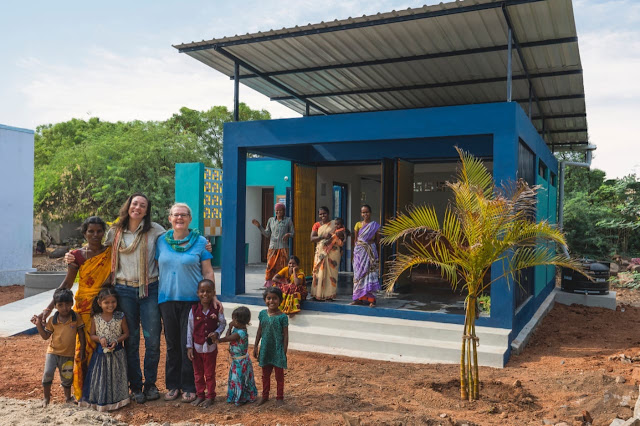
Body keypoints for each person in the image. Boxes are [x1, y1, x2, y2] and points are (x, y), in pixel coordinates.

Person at [64, 194, 217, 403]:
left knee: (153, 340)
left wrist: (204, 244)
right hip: (123, 290)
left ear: (147, 210)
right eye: (134, 203)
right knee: (131, 340)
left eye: (142, 205)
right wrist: (72, 255)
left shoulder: (156, 231)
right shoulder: (115, 231)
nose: (137, 207)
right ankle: (135, 386)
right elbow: (97, 249)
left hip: (150, 290)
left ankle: (151, 385)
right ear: (128, 206)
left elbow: (179, 236)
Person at [38, 216, 111, 402]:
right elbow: (67, 284)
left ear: (104, 232)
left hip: (105, 307)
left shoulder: (111, 252)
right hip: (84, 309)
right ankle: (83, 392)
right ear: (84, 233)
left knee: (103, 347)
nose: (95, 235)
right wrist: (49, 308)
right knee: (83, 350)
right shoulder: (77, 255)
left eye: (99, 231)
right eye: (91, 231)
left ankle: (103, 391)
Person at [156, 202, 218, 403]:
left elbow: (207, 271)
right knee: (172, 344)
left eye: (183, 215)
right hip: (166, 299)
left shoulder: (200, 242)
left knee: (188, 344)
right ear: (170, 219)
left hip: (192, 301)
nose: (179, 218)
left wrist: (213, 295)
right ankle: (173, 385)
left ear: (190, 219)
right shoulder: (161, 241)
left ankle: (190, 386)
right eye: (176, 215)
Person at [31, 288, 85, 406]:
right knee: (48, 373)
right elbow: (45, 336)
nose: (64, 308)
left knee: (67, 377)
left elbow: (81, 334)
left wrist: (82, 350)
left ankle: (68, 398)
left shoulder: (76, 318)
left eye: (67, 304)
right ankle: (46, 399)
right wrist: (38, 325)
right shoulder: (52, 320)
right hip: (53, 352)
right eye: (60, 305)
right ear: (55, 306)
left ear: (72, 303)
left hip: (68, 354)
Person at [80, 286, 130, 412]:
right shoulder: (96, 318)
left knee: (116, 377)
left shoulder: (120, 316)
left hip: (117, 354)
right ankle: (102, 402)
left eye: (113, 302)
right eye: (106, 302)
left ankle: (118, 401)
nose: (110, 305)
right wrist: (100, 338)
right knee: (102, 378)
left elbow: (126, 333)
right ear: (99, 303)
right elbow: (92, 335)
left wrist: (116, 341)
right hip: (100, 355)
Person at [186, 279, 226, 408]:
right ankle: (200, 395)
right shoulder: (193, 310)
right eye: (202, 291)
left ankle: (210, 396)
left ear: (213, 293)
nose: (205, 294)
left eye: (208, 291)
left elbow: (223, 323)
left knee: (209, 374)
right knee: (198, 374)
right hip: (196, 348)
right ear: (198, 293)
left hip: (210, 348)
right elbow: (190, 329)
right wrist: (189, 347)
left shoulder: (216, 309)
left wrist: (217, 333)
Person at [253, 287, 289, 406]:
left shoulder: (282, 317)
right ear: (265, 300)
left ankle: (279, 397)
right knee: (265, 375)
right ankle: (265, 396)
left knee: (279, 376)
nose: (271, 301)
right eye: (269, 298)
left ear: (280, 300)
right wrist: (255, 346)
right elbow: (260, 330)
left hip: (277, 350)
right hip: (265, 349)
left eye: (275, 298)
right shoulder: (262, 314)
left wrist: (284, 352)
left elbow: (285, 336)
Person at [218, 306, 258, 405]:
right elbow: (228, 336)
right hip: (237, 361)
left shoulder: (240, 333)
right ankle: (238, 396)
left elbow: (227, 338)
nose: (232, 321)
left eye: (234, 319)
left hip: (240, 362)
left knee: (239, 379)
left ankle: (240, 397)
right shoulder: (237, 329)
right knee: (237, 379)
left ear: (239, 321)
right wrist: (230, 327)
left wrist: (218, 340)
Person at [251, 203, 294, 287]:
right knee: (270, 266)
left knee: (283, 267)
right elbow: (267, 234)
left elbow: (293, 233)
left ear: (284, 211)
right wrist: (259, 227)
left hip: (283, 247)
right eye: (276, 210)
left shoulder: (288, 220)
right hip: (272, 247)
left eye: (280, 210)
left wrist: (288, 234)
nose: (278, 212)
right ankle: (269, 283)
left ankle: (282, 283)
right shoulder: (271, 220)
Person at [351, 205, 382, 307]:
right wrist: (355, 254)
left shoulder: (375, 226)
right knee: (358, 275)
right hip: (359, 253)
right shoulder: (358, 225)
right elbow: (356, 240)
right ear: (361, 214)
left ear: (370, 213)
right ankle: (358, 299)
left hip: (370, 252)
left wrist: (377, 255)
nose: (365, 214)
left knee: (370, 275)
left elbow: (378, 242)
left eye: (367, 212)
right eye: (363, 212)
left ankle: (372, 300)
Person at [310, 206, 343, 301]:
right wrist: (322, 236)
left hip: (333, 252)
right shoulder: (316, 225)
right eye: (320, 214)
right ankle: (317, 294)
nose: (322, 215)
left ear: (328, 214)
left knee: (331, 274)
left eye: (324, 213)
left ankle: (330, 295)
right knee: (318, 273)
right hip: (321, 252)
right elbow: (312, 238)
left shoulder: (335, 223)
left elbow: (343, 233)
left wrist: (339, 236)